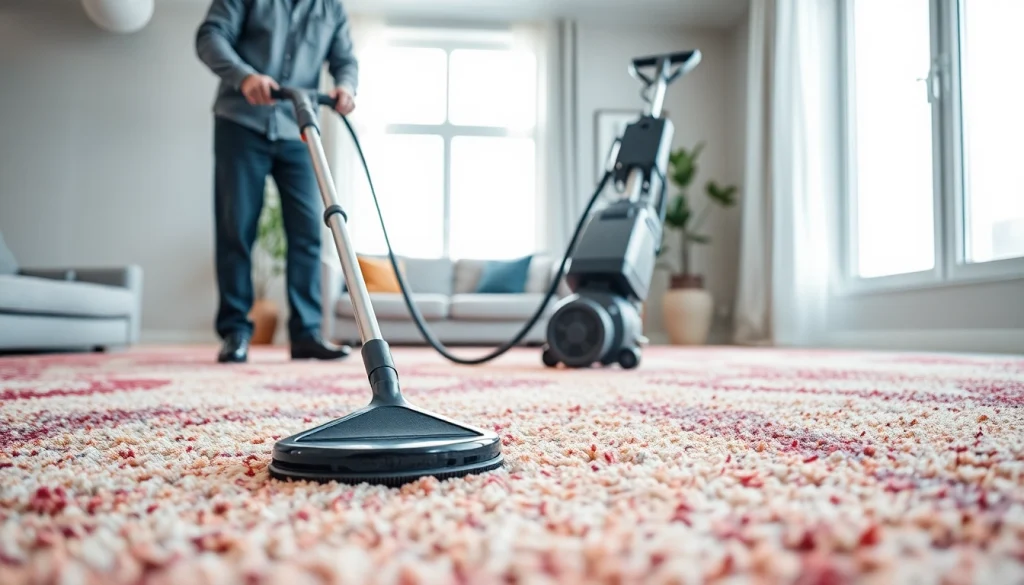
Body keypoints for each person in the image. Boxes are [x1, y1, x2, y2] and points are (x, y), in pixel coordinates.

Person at [195, 0, 358, 363]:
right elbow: (210, 36)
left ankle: (306, 334)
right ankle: (236, 331)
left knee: (309, 232)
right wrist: (244, 75)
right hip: (242, 122)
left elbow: (344, 59)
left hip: (298, 128)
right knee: (236, 228)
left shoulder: (330, 8)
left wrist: (346, 86)